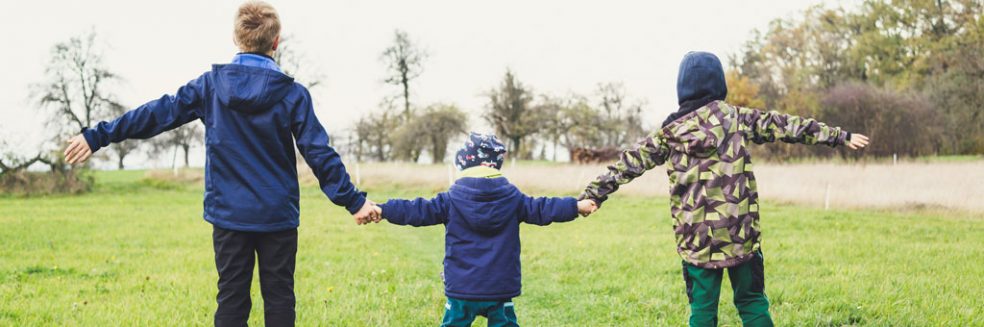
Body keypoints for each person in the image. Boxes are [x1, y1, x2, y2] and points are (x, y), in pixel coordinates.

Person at [61, 2, 380, 326]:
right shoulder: (292, 94)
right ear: (276, 41)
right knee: (280, 296)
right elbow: (319, 153)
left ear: (235, 38)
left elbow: (157, 114)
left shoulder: (211, 86)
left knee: (231, 298)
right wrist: (353, 201)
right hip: (276, 216)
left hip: (230, 215)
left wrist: (98, 136)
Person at [578, 51, 870, 327]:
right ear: (719, 85)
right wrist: (839, 136)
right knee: (752, 301)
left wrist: (594, 194)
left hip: (696, 239)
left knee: (702, 311)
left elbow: (628, 163)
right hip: (740, 234)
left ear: (683, 89)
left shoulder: (669, 134)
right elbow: (785, 125)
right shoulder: (737, 118)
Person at [372, 132, 597, 327]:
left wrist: (384, 209)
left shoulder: (450, 199)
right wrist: (575, 206)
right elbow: (543, 208)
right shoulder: (513, 199)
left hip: (462, 288)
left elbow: (416, 210)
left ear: (464, 165)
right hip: (499, 288)